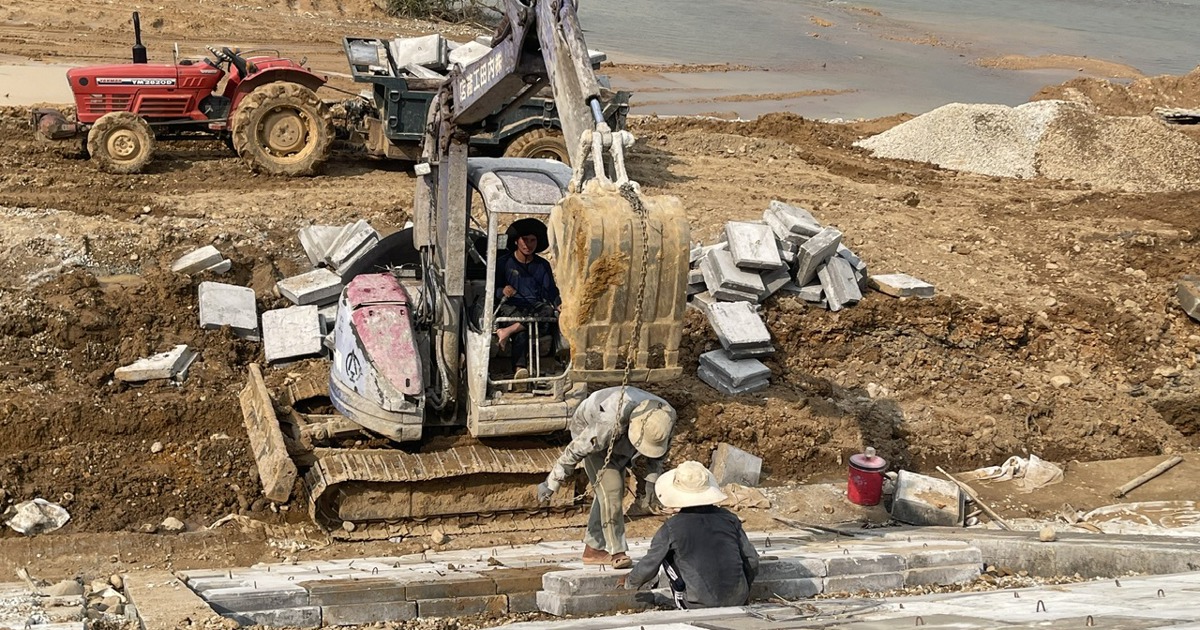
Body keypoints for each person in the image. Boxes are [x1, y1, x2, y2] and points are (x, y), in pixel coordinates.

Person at [536, 386, 676, 569]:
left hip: (623, 441)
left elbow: (658, 456)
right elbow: (574, 450)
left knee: (608, 494)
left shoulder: (666, 417)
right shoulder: (608, 423)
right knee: (612, 490)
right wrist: (552, 482)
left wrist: (651, 485)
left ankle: (593, 549)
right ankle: (617, 551)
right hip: (589, 427)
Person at [623, 460, 760, 609]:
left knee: (666, 555)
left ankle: (684, 597)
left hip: (697, 604)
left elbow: (649, 564)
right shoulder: (729, 519)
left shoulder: (671, 528)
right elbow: (752, 560)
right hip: (739, 600)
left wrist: (630, 581)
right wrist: (743, 588)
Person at [495, 217, 560, 381]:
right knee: (522, 326)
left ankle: (508, 331)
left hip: (535, 309)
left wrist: (559, 304)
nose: (528, 244)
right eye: (525, 240)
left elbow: (551, 291)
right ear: (517, 241)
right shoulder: (503, 263)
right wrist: (503, 290)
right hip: (510, 307)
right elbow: (492, 290)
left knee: (546, 311)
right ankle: (520, 368)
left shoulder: (543, 265)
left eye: (532, 240)